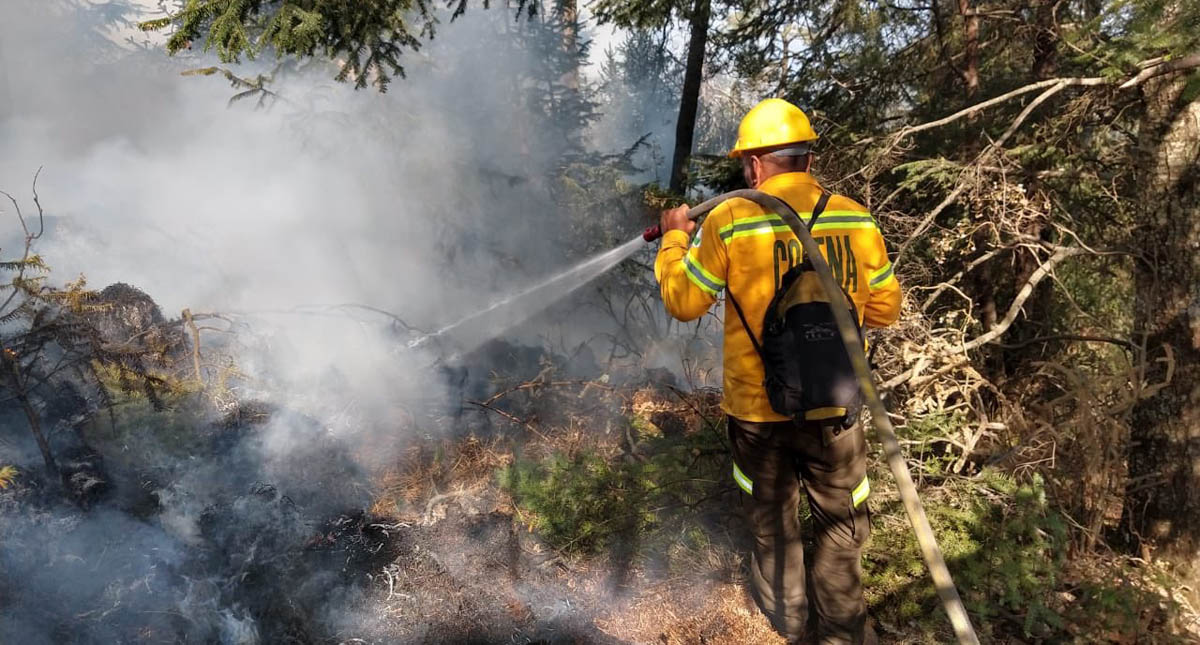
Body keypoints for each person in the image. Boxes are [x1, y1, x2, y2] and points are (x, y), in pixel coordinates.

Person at [653, 98, 901, 645]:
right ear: (807, 159)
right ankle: (841, 633)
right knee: (841, 525)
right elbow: (885, 309)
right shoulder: (854, 218)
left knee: (771, 525)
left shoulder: (731, 220)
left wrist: (674, 238)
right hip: (837, 408)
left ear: (756, 165)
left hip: (756, 413)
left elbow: (683, 300)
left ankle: (787, 627)